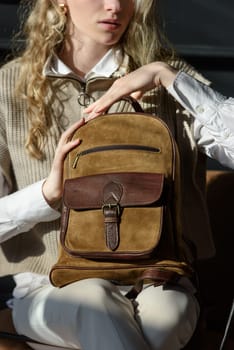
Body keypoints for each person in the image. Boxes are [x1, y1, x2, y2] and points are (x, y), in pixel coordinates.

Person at [0, 1, 234, 350]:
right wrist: (47, 195)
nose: (114, 6)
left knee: (161, 322)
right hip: (44, 284)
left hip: (156, 278)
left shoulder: (167, 80)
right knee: (95, 304)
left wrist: (163, 75)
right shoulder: (8, 87)